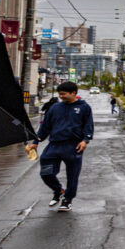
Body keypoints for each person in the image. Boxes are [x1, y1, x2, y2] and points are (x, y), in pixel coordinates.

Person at [25, 81, 93, 212]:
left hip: (73, 145)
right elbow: (45, 127)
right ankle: (58, 190)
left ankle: (68, 199)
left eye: (64, 94)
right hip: (54, 145)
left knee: (72, 175)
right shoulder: (55, 108)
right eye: (60, 94)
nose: (61, 96)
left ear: (74, 93)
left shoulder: (84, 107)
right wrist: (35, 141)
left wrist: (85, 140)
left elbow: (88, 126)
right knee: (46, 172)